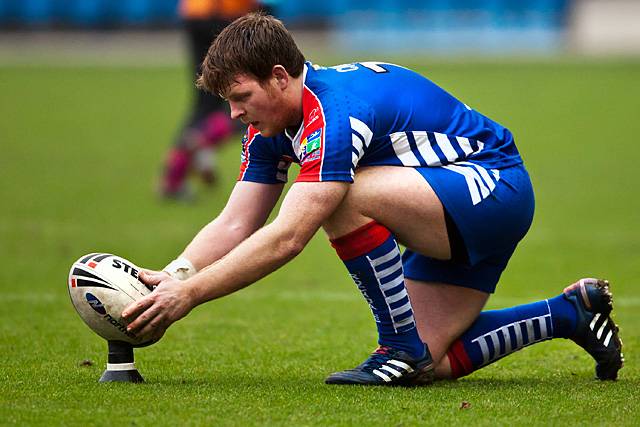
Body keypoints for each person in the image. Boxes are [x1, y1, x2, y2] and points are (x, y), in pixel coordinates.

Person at [123, 13, 623, 385]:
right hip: (446, 203)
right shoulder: (274, 122)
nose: (232, 116)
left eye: (240, 98)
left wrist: (189, 298)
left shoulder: (333, 113)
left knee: (336, 195)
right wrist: (175, 276)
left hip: (492, 190)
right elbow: (236, 222)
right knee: (433, 364)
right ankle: (569, 314)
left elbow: (289, 237)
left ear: (280, 76)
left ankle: (396, 346)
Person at [160, 0, 262, 199]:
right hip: (227, 17)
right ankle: (202, 143)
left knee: (204, 102)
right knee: (247, 107)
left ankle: (173, 180)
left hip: (194, 13)